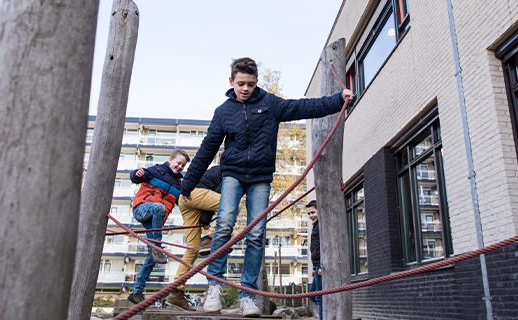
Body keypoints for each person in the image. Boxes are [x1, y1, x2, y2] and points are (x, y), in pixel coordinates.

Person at [180, 57, 354, 317]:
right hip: (232, 175)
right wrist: (186, 186)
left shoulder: (269, 103)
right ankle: (214, 286)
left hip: (261, 177)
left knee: (256, 232)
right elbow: (207, 150)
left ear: (256, 82)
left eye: (250, 84)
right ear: (231, 82)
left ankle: (247, 294)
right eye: (240, 84)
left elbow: (301, 107)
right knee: (225, 221)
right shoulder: (223, 112)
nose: (245, 88)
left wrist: (338, 99)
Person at [127, 149, 190, 304]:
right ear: (170, 160)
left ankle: (137, 291)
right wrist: (137, 174)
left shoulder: (178, 185)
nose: (180, 167)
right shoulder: (157, 170)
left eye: (183, 165)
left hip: (156, 219)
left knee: (152, 257)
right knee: (159, 207)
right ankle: (157, 247)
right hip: (142, 208)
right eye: (178, 163)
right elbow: (135, 177)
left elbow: (184, 206)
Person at [165, 165, 222, 311]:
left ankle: (176, 292)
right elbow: (219, 193)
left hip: (184, 200)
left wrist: (204, 219)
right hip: (194, 195)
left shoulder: (215, 170)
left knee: (192, 249)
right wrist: (205, 220)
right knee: (230, 204)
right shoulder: (229, 172)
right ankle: (209, 238)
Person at [307, 200, 323, 320]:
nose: (311, 216)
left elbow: (325, 245)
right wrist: (314, 267)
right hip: (317, 266)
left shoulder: (321, 225)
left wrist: (322, 265)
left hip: (321, 266)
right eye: (309, 214)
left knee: (319, 297)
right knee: (313, 295)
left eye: (313, 212)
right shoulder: (315, 226)